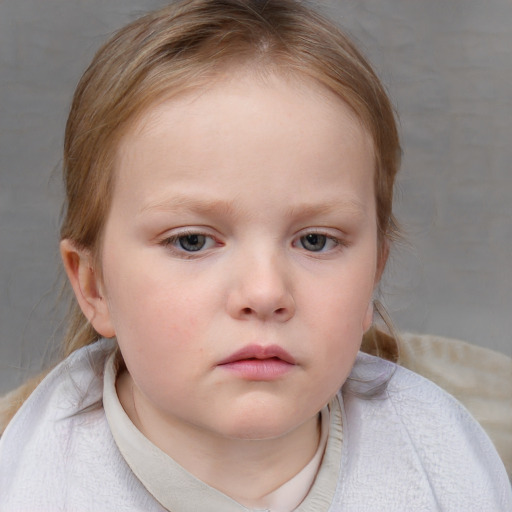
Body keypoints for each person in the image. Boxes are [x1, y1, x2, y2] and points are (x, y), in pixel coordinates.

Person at [0, 0, 510, 510]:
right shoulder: (27, 481)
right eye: (192, 241)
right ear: (95, 285)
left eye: (315, 241)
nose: (265, 293)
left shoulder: (446, 462)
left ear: (374, 274)